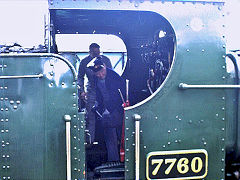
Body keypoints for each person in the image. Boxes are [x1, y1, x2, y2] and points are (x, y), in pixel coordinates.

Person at [90, 58, 125, 162]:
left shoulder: (114, 78)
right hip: (106, 109)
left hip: (117, 109)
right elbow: (99, 94)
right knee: (109, 133)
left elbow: (117, 97)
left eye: (101, 72)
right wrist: (99, 106)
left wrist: (108, 111)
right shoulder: (96, 78)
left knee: (112, 132)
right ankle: (112, 158)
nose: (100, 75)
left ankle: (115, 160)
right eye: (97, 73)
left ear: (105, 66)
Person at [78, 43, 112, 143]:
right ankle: (90, 142)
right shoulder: (84, 62)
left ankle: (108, 141)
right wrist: (82, 91)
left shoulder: (106, 60)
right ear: (90, 52)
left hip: (105, 90)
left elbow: (111, 75)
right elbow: (80, 77)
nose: (96, 54)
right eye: (94, 53)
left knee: (107, 113)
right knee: (90, 115)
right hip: (92, 90)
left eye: (98, 52)